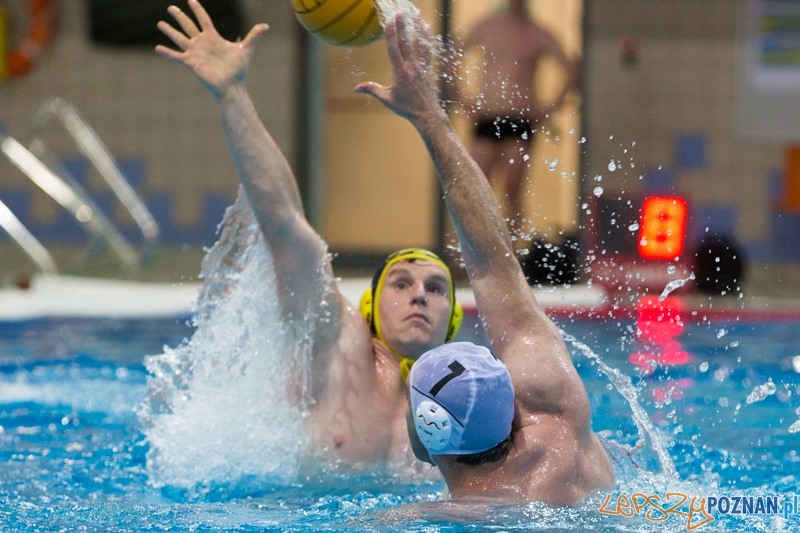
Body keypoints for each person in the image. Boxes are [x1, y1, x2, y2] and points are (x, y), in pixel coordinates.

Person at [155, 0, 460, 472]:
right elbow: (285, 227)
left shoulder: (459, 404)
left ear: (453, 320)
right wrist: (231, 95)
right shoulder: (336, 343)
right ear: (371, 307)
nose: (419, 295)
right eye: (401, 283)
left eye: (435, 289)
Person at [355, 14, 613, 504]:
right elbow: (494, 264)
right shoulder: (560, 420)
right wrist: (431, 115)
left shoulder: (433, 517)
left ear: (424, 435)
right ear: (513, 404)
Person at [452, 0, 577, 237]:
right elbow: (452, 56)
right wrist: (461, 99)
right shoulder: (487, 26)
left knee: (512, 189)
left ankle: (510, 251)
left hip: (519, 119)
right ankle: (473, 248)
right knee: (476, 189)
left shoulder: (537, 32)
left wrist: (550, 107)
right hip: (488, 117)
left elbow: (571, 69)